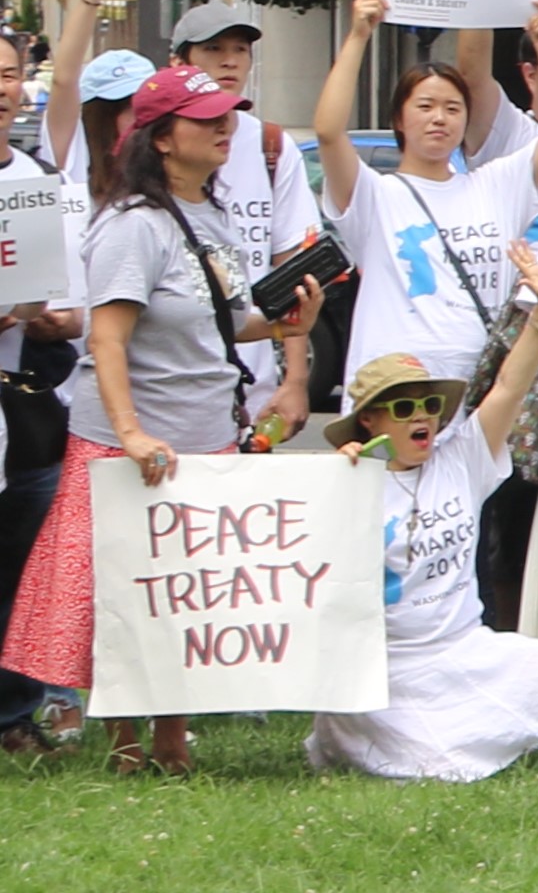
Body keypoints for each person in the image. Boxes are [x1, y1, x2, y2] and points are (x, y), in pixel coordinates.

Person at [13, 63, 319, 773]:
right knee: (125, 595)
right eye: (205, 119)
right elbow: (107, 339)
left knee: (185, 596)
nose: (225, 128)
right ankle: (126, 744)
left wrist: (284, 326)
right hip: (129, 446)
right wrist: (128, 433)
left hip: (204, 438)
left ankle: (172, 739)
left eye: (227, 115)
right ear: (160, 138)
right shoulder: (132, 227)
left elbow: (223, 322)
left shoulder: (211, 215)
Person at [310, 304, 538, 780]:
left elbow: (510, 387)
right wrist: (341, 478)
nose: (421, 417)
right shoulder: (352, 483)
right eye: (403, 409)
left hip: (467, 649)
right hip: (391, 667)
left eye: (429, 406)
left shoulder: (462, 458)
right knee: (439, 765)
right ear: (369, 422)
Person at [318, 0, 538, 387]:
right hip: (392, 392)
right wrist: (358, 36)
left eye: (453, 108)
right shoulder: (375, 195)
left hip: (478, 389)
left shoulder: (496, 185)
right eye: (425, 106)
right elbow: (329, 132)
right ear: (399, 119)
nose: (439, 118)